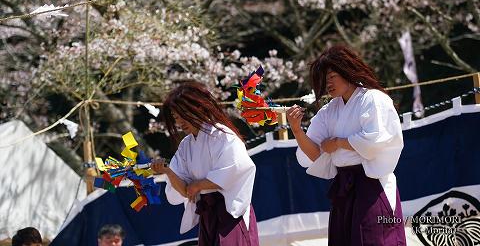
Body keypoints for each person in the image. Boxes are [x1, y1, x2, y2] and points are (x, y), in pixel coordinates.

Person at [287, 45, 407, 246]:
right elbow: (314, 153)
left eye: (332, 76)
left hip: (371, 185)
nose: (328, 83)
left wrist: (338, 143)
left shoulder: (373, 98)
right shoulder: (328, 111)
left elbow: (375, 140)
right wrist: (297, 130)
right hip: (343, 188)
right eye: (325, 79)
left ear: (347, 72)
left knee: (374, 240)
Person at [151, 81, 259, 246]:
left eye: (183, 114)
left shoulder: (222, 135)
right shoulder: (186, 145)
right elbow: (184, 190)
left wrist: (199, 185)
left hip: (230, 213)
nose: (179, 122)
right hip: (207, 213)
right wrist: (168, 172)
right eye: (176, 117)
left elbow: (237, 168)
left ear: (198, 108)